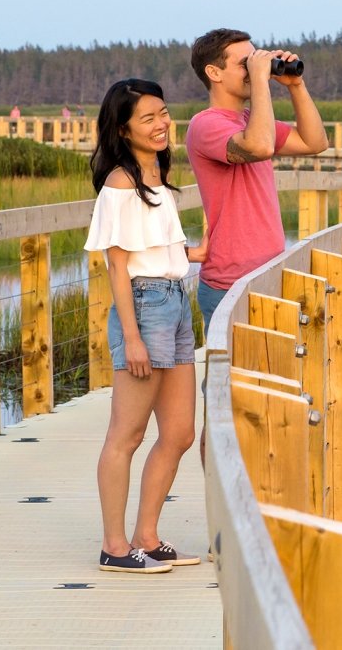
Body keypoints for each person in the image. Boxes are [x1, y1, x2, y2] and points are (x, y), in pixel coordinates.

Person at [84, 78, 206, 574]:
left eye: (164, 113)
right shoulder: (119, 181)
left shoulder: (155, 170)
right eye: (148, 118)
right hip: (145, 306)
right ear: (122, 128)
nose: (161, 125)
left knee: (178, 433)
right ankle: (114, 548)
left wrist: (192, 253)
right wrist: (131, 336)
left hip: (176, 300)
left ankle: (147, 537)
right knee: (127, 434)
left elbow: (155, 245)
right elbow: (117, 265)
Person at [185, 29, 330, 331]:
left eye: (256, 59)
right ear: (214, 72)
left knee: (272, 377)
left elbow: (315, 143)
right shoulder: (205, 124)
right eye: (245, 63)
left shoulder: (252, 121)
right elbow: (260, 147)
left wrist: (296, 86)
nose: (253, 69)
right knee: (231, 379)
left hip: (269, 274)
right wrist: (262, 79)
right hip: (229, 285)